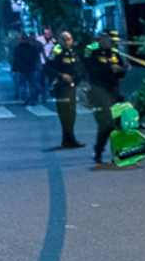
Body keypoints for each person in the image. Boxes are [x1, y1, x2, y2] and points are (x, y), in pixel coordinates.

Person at [83, 30, 129, 163]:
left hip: (114, 91)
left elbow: (122, 71)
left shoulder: (115, 53)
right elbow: (91, 70)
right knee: (106, 123)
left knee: (118, 123)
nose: (113, 43)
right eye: (110, 40)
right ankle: (99, 150)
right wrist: (109, 68)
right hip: (98, 91)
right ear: (102, 39)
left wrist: (121, 70)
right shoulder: (93, 52)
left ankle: (117, 153)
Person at [45, 31, 83, 148]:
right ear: (59, 40)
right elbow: (48, 67)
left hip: (71, 87)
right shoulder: (56, 52)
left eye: (69, 39)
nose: (67, 42)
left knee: (72, 114)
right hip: (61, 87)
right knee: (65, 114)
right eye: (64, 39)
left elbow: (78, 68)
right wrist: (61, 76)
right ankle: (68, 139)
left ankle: (70, 139)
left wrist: (77, 80)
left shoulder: (72, 52)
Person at [11, 32, 42, 106]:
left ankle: (27, 98)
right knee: (32, 84)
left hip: (23, 69)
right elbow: (36, 58)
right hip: (31, 68)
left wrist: (15, 68)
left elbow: (16, 60)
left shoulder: (18, 48)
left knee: (24, 84)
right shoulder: (32, 48)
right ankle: (33, 98)